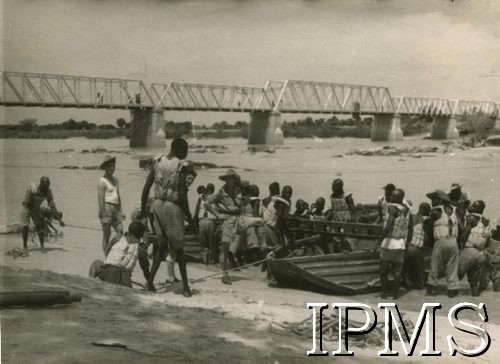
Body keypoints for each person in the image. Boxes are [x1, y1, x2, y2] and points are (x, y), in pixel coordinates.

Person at [140, 138, 194, 296]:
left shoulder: (157, 161)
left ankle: (149, 283)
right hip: (172, 207)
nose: (186, 153)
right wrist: (190, 219)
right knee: (179, 249)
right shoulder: (182, 165)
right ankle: (185, 288)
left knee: (160, 247)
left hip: (156, 205)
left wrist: (144, 210)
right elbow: (182, 196)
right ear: (179, 149)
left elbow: (146, 188)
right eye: (185, 150)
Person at [204, 169, 243, 285]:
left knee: (258, 223)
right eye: (229, 178)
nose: (231, 180)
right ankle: (224, 274)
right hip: (227, 220)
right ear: (226, 180)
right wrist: (217, 215)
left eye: (232, 178)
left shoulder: (238, 189)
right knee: (225, 249)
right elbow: (206, 202)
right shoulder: (221, 191)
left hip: (238, 219)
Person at [425, 189, 463, 298]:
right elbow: (462, 228)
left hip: (440, 241)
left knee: (435, 266)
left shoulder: (435, 212)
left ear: (440, 200)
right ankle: (451, 291)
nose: (432, 203)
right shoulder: (455, 211)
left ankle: (429, 291)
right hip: (453, 242)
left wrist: (428, 242)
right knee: (452, 267)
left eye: (434, 200)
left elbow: (428, 230)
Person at [89, 221, 145, 288]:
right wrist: (150, 282)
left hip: (107, 271)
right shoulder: (141, 247)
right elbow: (145, 267)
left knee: (96, 263)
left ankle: (90, 283)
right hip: (122, 277)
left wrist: (110, 261)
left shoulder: (118, 237)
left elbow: (108, 251)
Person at [379, 189, 410, 299]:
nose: (391, 197)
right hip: (400, 244)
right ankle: (395, 295)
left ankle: (384, 294)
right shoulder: (405, 209)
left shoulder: (392, 209)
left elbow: (388, 227)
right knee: (397, 272)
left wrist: (378, 241)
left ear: (398, 198)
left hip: (389, 243)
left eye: (393, 196)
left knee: (383, 271)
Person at [20, 176, 64, 253]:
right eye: (45, 187)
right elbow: (26, 203)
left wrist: (60, 220)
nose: (46, 189)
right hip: (26, 207)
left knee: (39, 225)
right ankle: (25, 247)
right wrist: (37, 214)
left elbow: (52, 206)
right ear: (40, 184)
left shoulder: (48, 191)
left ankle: (42, 246)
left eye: (48, 186)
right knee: (26, 226)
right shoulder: (32, 189)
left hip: (36, 207)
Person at [458, 200, 491, 296]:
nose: (471, 208)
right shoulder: (487, 222)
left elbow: (463, 237)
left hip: (470, 250)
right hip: (481, 254)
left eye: (474, 206)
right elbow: (488, 242)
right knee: (474, 282)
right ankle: (475, 302)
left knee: (455, 274)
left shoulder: (471, 218)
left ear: (479, 209)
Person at [97, 156, 124, 255]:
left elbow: (118, 195)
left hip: (116, 209)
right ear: (105, 167)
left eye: (113, 166)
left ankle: (115, 252)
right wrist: (103, 216)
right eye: (109, 166)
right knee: (106, 235)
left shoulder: (116, 179)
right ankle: (107, 257)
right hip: (107, 208)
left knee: (121, 233)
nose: (112, 168)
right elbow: (100, 199)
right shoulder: (102, 181)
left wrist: (121, 211)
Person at [403, 202, 431, 289]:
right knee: (419, 269)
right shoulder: (426, 220)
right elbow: (426, 238)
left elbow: (409, 232)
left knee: (407, 268)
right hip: (417, 248)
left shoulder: (411, 217)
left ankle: (409, 284)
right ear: (423, 210)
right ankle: (419, 285)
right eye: (427, 210)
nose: (429, 212)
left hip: (409, 246)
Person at [195, 184, 217, 265]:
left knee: (203, 240)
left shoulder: (201, 199)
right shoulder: (213, 199)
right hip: (209, 221)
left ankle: (205, 259)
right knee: (210, 240)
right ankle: (211, 259)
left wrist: (194, 222)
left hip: (203, 221)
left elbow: (196, 211)